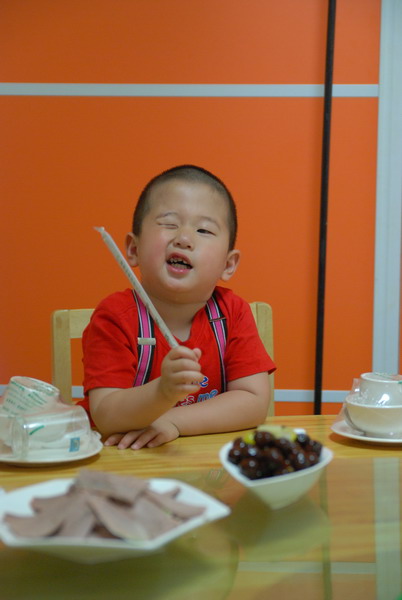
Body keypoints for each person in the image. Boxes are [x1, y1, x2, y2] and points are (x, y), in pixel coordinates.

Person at [82, 165, 276, 450]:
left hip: (202, 465)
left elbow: (254, 402)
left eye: (204, 229)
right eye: (169, 224)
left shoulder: (232, 313)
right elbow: (106, 416)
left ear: (228, 264)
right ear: (133, 249)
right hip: (123, 463)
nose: (184, 238)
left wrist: (173, 421)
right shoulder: (114, 316)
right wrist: (162, 391)